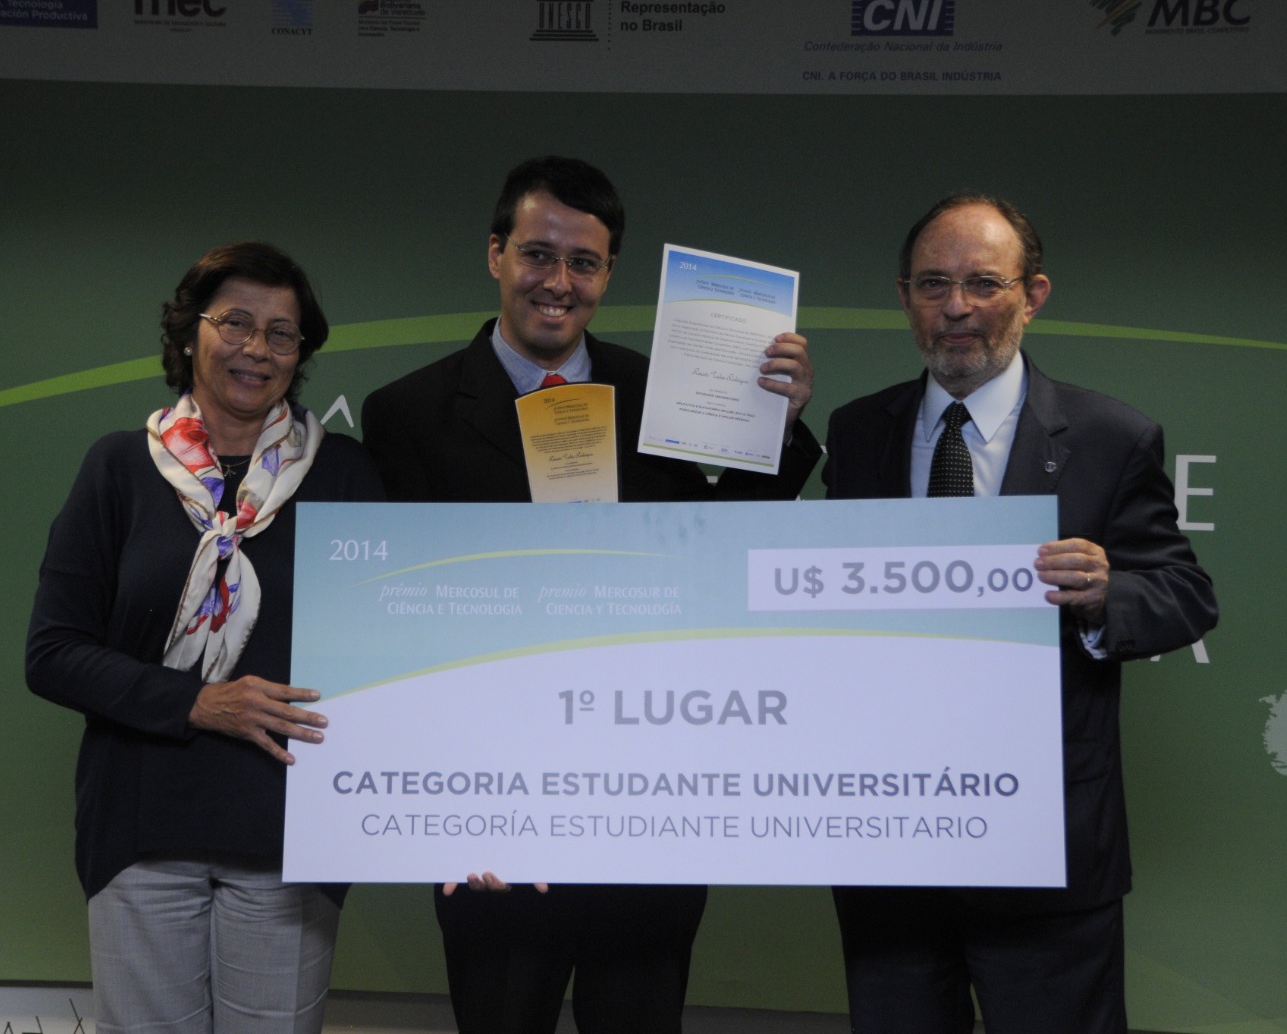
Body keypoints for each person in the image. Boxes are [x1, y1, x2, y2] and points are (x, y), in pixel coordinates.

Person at [360, 156, 821, 1034]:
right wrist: (449, 812)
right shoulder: (406, 413)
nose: (558, 282)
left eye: (584, 263)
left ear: (608, 274)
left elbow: (722, 550)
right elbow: (394, 623)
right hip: (492, 807)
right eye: (538, 254)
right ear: (495, 254)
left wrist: (780, 424)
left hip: (647, 798)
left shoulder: (664, 395)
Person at [822, 194, 1218, 1034]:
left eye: (983, 283)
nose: (956, 307)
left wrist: (1107, 593)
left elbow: (1185, 592)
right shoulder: (856, 432)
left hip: (1049, 847)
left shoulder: (1111, 436)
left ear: (1032, 295)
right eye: (934, 284)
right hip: (889, 841)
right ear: (904, 297)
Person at [26, 241, 385, 1034]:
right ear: (190, 332)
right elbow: (53, 655)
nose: (258, 348)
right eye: (236, 323)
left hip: (289, 837)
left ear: (301, 354)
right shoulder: (119, 469)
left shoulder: (346, 475)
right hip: (142, 833)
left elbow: (393, 651)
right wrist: (200, 704)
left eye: (282, 333)